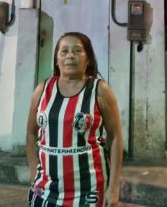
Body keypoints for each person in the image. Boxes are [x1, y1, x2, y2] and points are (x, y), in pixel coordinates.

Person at [26, 32, 123, 207]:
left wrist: (114, 187)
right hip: (47, 188)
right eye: (64, 51)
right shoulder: (42, 90)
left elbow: (115, 137)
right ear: (57, 60)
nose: (70, 55)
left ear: (88, 59)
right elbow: (31, 134)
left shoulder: (100, 90)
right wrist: (34, 172)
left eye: (77, 50)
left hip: (90, 190)